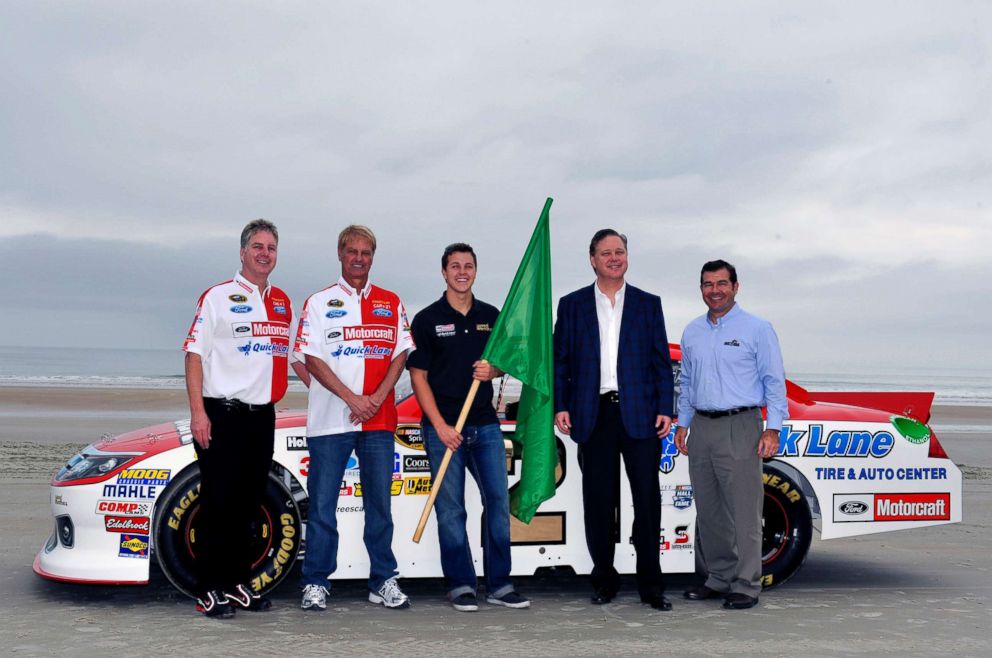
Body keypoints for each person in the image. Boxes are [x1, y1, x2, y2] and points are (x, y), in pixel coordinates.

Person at [182, 219, 308, 618]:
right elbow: (194, 355)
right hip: (222, 413)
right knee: (217, 504)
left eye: (271, 247)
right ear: (242, 252)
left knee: (248, 506)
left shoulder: (283, 301)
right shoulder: (217, 296)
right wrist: (198, 413)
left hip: (261, 417)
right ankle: (208, 590)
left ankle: (236, 584)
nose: (264, 253)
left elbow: (288, 358)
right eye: (257, 246)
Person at [552, 229, 675, 611]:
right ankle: (604, 578)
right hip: (594, 415)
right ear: (592, 259)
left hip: (640, 416)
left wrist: (665, 408)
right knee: (599, 502)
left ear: (627, 256)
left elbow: (660, 362)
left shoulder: (647, 304)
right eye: (605, 253)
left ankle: (651, 586)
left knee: (648, 502)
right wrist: (561, 404)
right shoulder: (571, 305)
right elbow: (561, 361)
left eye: (619, 251)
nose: (613, 258)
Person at [295, 225, 414, 612]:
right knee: (324, 507)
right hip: (331, 422)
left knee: (380, 506)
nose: (359, 258)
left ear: (372, 257)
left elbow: (401, 353)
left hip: (378, 421)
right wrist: (352, 398)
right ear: (340, 254)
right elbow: (310, 358)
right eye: (352, 251)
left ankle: (383, 579)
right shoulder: (318, 302)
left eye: (366, 252)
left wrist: (376, 399)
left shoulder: (391, 301)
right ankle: (315, 582)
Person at [407, 243, 530, 612]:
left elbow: (507, 360)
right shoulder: (428, 319)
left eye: (469, 266)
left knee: (496, 503)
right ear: (443, 272)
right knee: (450, 509)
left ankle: (500, 584)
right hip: (443, 429)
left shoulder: (492, 316)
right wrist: (441, 426)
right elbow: (418, 377)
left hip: (485, 427)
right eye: (455, 266)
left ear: (476, 271)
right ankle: (460, 583)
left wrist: (494, 370)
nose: (462, 271)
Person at [674, 259, 787, 610]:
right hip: (702, 427)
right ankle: (719, 577)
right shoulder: (692, 331)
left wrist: (773, 428)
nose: (715, 290)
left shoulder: (757, 328)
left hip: (742, 425)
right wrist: (683, 423)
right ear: (701, 289)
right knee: (710, 510)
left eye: (722, 283)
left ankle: (747, 583)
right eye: (708, 284)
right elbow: (688, 382)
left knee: (744, 510)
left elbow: (774, 382)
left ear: (736, 287)